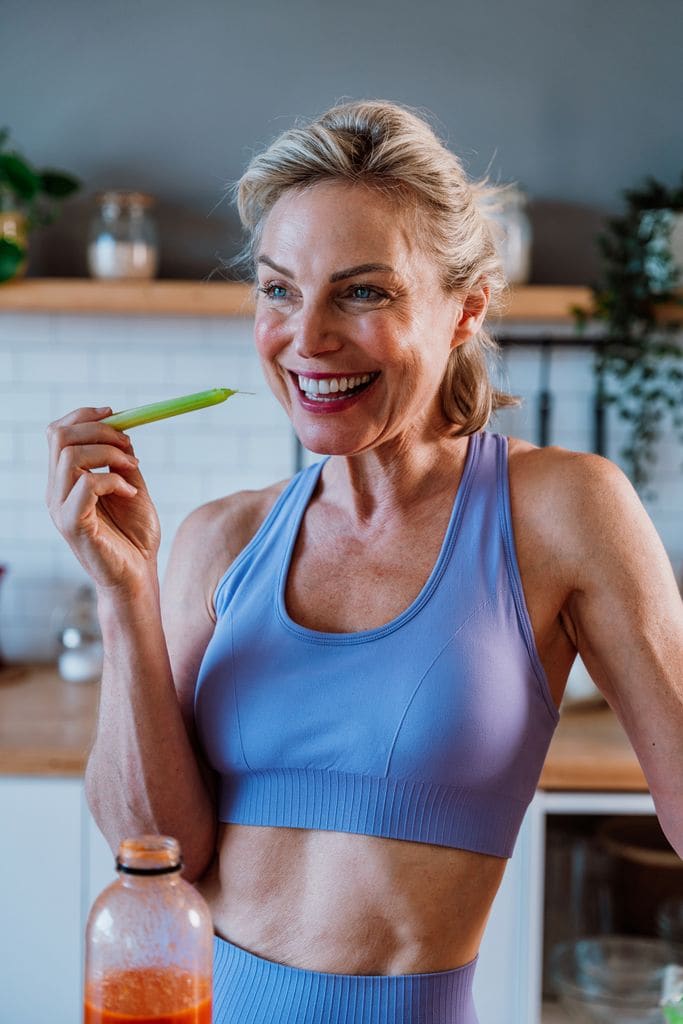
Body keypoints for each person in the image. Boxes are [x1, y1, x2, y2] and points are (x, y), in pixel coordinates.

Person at [46, 100, 683, 1024]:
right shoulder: (219, 540)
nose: (306, 338)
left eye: (362, 292)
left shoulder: (560, 510)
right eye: (277, 290)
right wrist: (122, 593)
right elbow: (158, 852)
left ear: (466, 308)